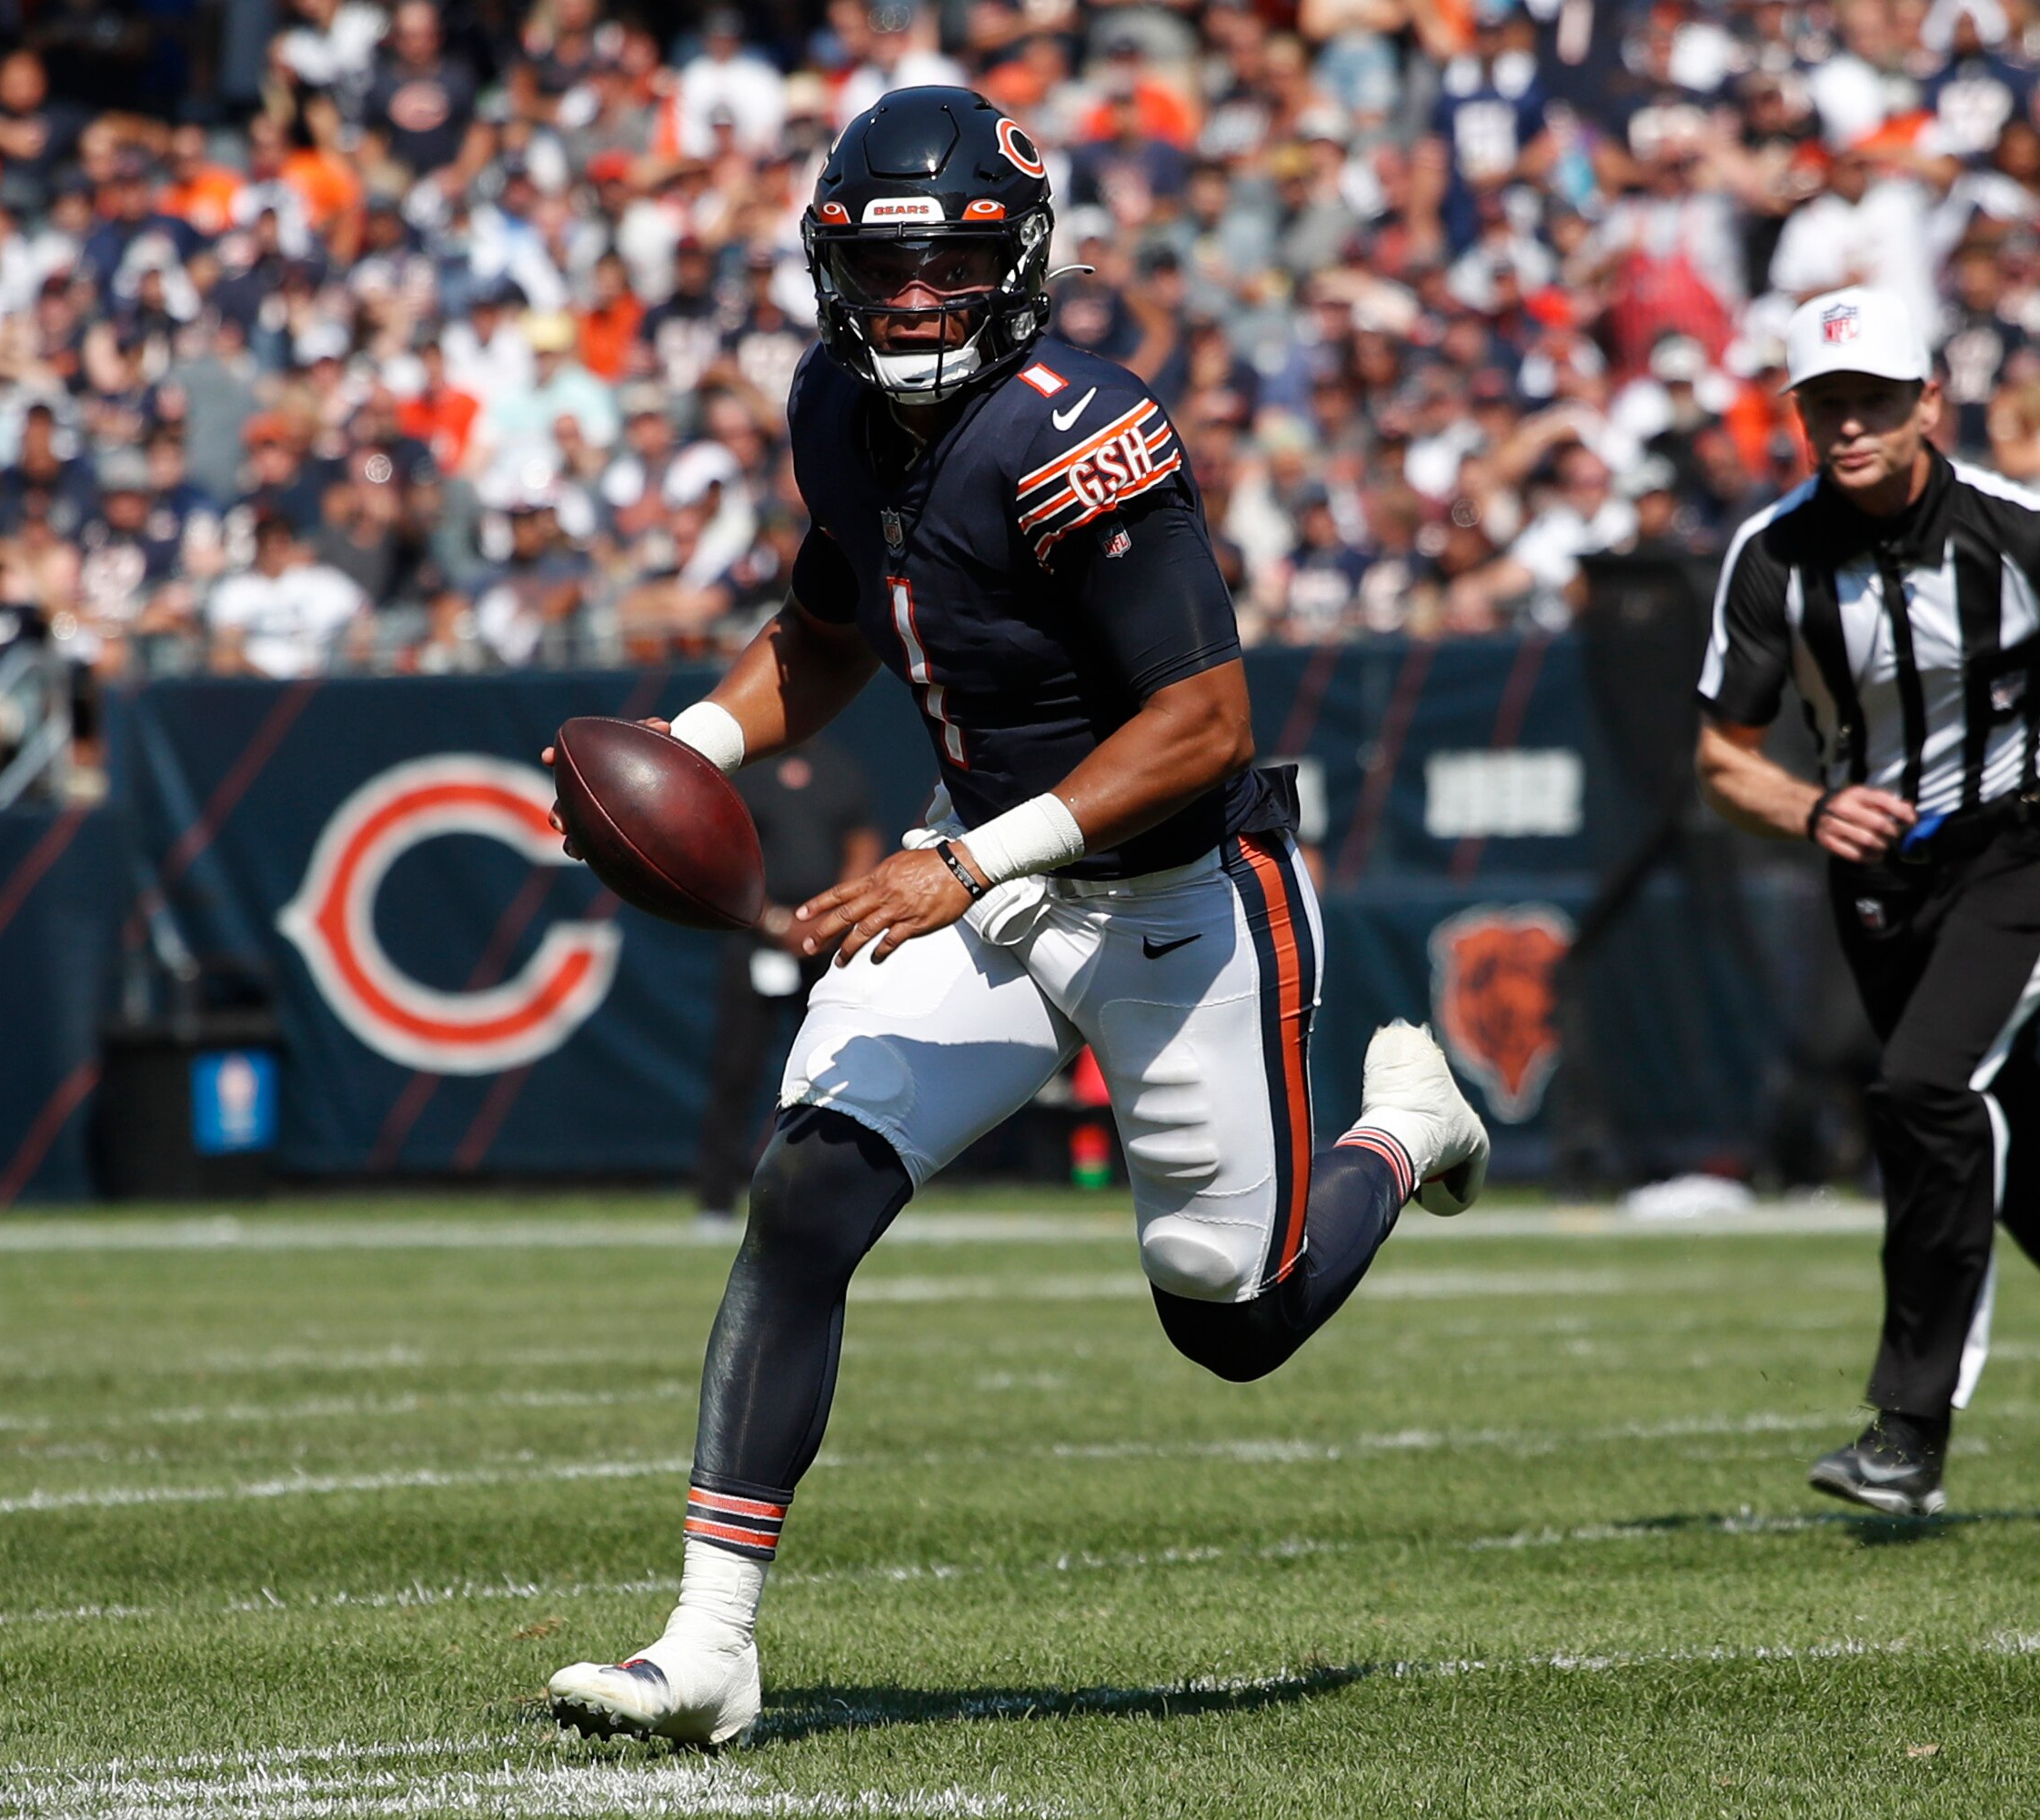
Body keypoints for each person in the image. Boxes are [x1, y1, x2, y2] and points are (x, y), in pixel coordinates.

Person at [543, 87, 1491, 1747]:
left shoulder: (1080, 431)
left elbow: (1200, 724)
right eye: (884, 267)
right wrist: (686, 751)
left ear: (1021, 263)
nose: (913, 302)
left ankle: (1403, 1130)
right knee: (808, 1187)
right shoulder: (836, 406)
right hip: (985, 872)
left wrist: (967, 866)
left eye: (950, 266)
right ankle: (709, 1643)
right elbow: (829, 626)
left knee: (1234, 1315)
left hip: (1181, 898)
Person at [1694, 287, 2040, 1520]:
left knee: (1925, 1090)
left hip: (2025, 851)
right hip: (1879, 882)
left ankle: (1909, 1425)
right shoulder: (1773, 555)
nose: (1850, 428)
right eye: (1826, 404)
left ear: (1928, 402)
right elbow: (1722, 755)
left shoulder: (2017, 524)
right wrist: (1805, 809)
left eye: (1874, 402)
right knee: (2020, 1143)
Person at [696, 739, 884, 1224]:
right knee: (737, 1068)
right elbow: (721, 856)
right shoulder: (744, 775)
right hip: (758, 938)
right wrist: (778, 922)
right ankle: (717, 1199)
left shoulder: (839, 768)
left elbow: (862, 843)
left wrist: (833, 918)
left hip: (827, 940)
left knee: (835, 1068)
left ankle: (835, 1192)